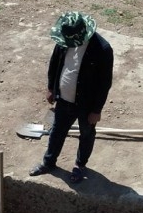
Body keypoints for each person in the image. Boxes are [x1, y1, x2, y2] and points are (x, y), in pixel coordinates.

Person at [29, 11, 113, 184]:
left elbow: (104, 83)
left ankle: (80, 166)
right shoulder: (65, 40)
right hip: (64, 99)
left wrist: (96, 110)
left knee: (86, 134)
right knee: (57, 132)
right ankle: (48, 162)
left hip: (86, 104)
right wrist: (51, 88)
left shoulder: (102, 50)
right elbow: (55, 64)